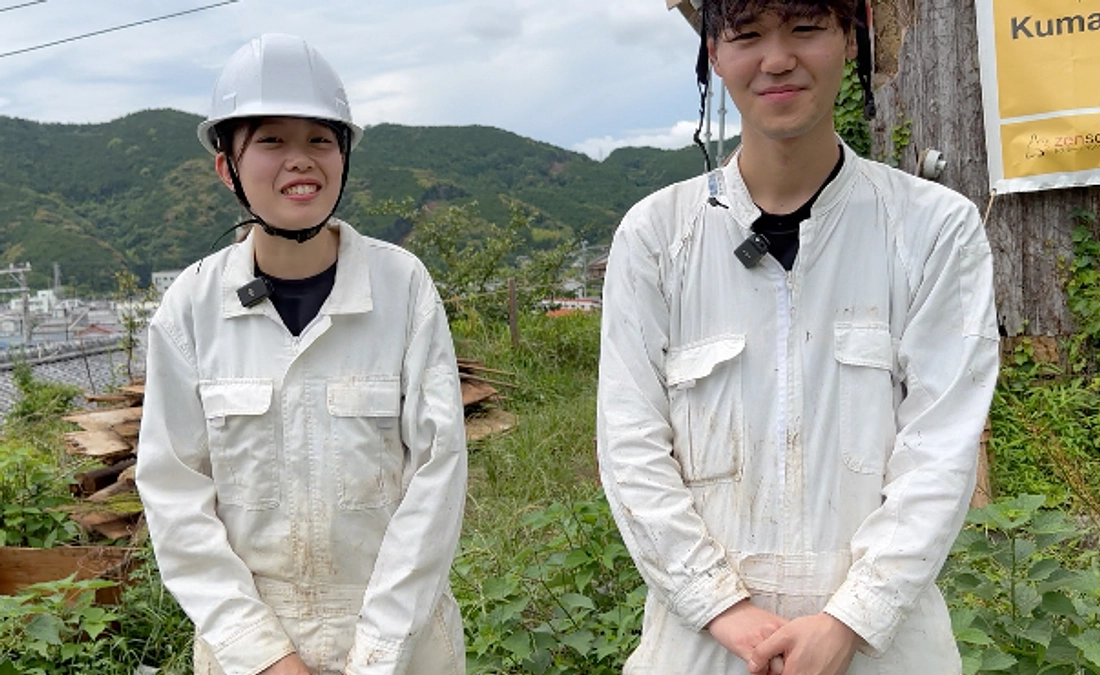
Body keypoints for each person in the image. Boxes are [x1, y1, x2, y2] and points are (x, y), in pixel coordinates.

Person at [596, 1, 999, 674]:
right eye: (747, 34)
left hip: (882, 648)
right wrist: (726, 611)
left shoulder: (935, 230)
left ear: (851, 40)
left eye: (805, 28)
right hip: (700, 646)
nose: (776, 58)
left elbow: (940, 450)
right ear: (714, 57)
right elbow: (630, 447)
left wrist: (849, 619)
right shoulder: (656, 237)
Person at [135, 34, 467, 675]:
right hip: (249, 643)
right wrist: (265, 657)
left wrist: (378, 652)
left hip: (401, 635)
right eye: (271, 141)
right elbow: (175, 496)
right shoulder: (192, 307)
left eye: (320, 139)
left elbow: (437, 476)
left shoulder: (401, 288)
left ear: (344, 157)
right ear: (226, 167)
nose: (301, 161)